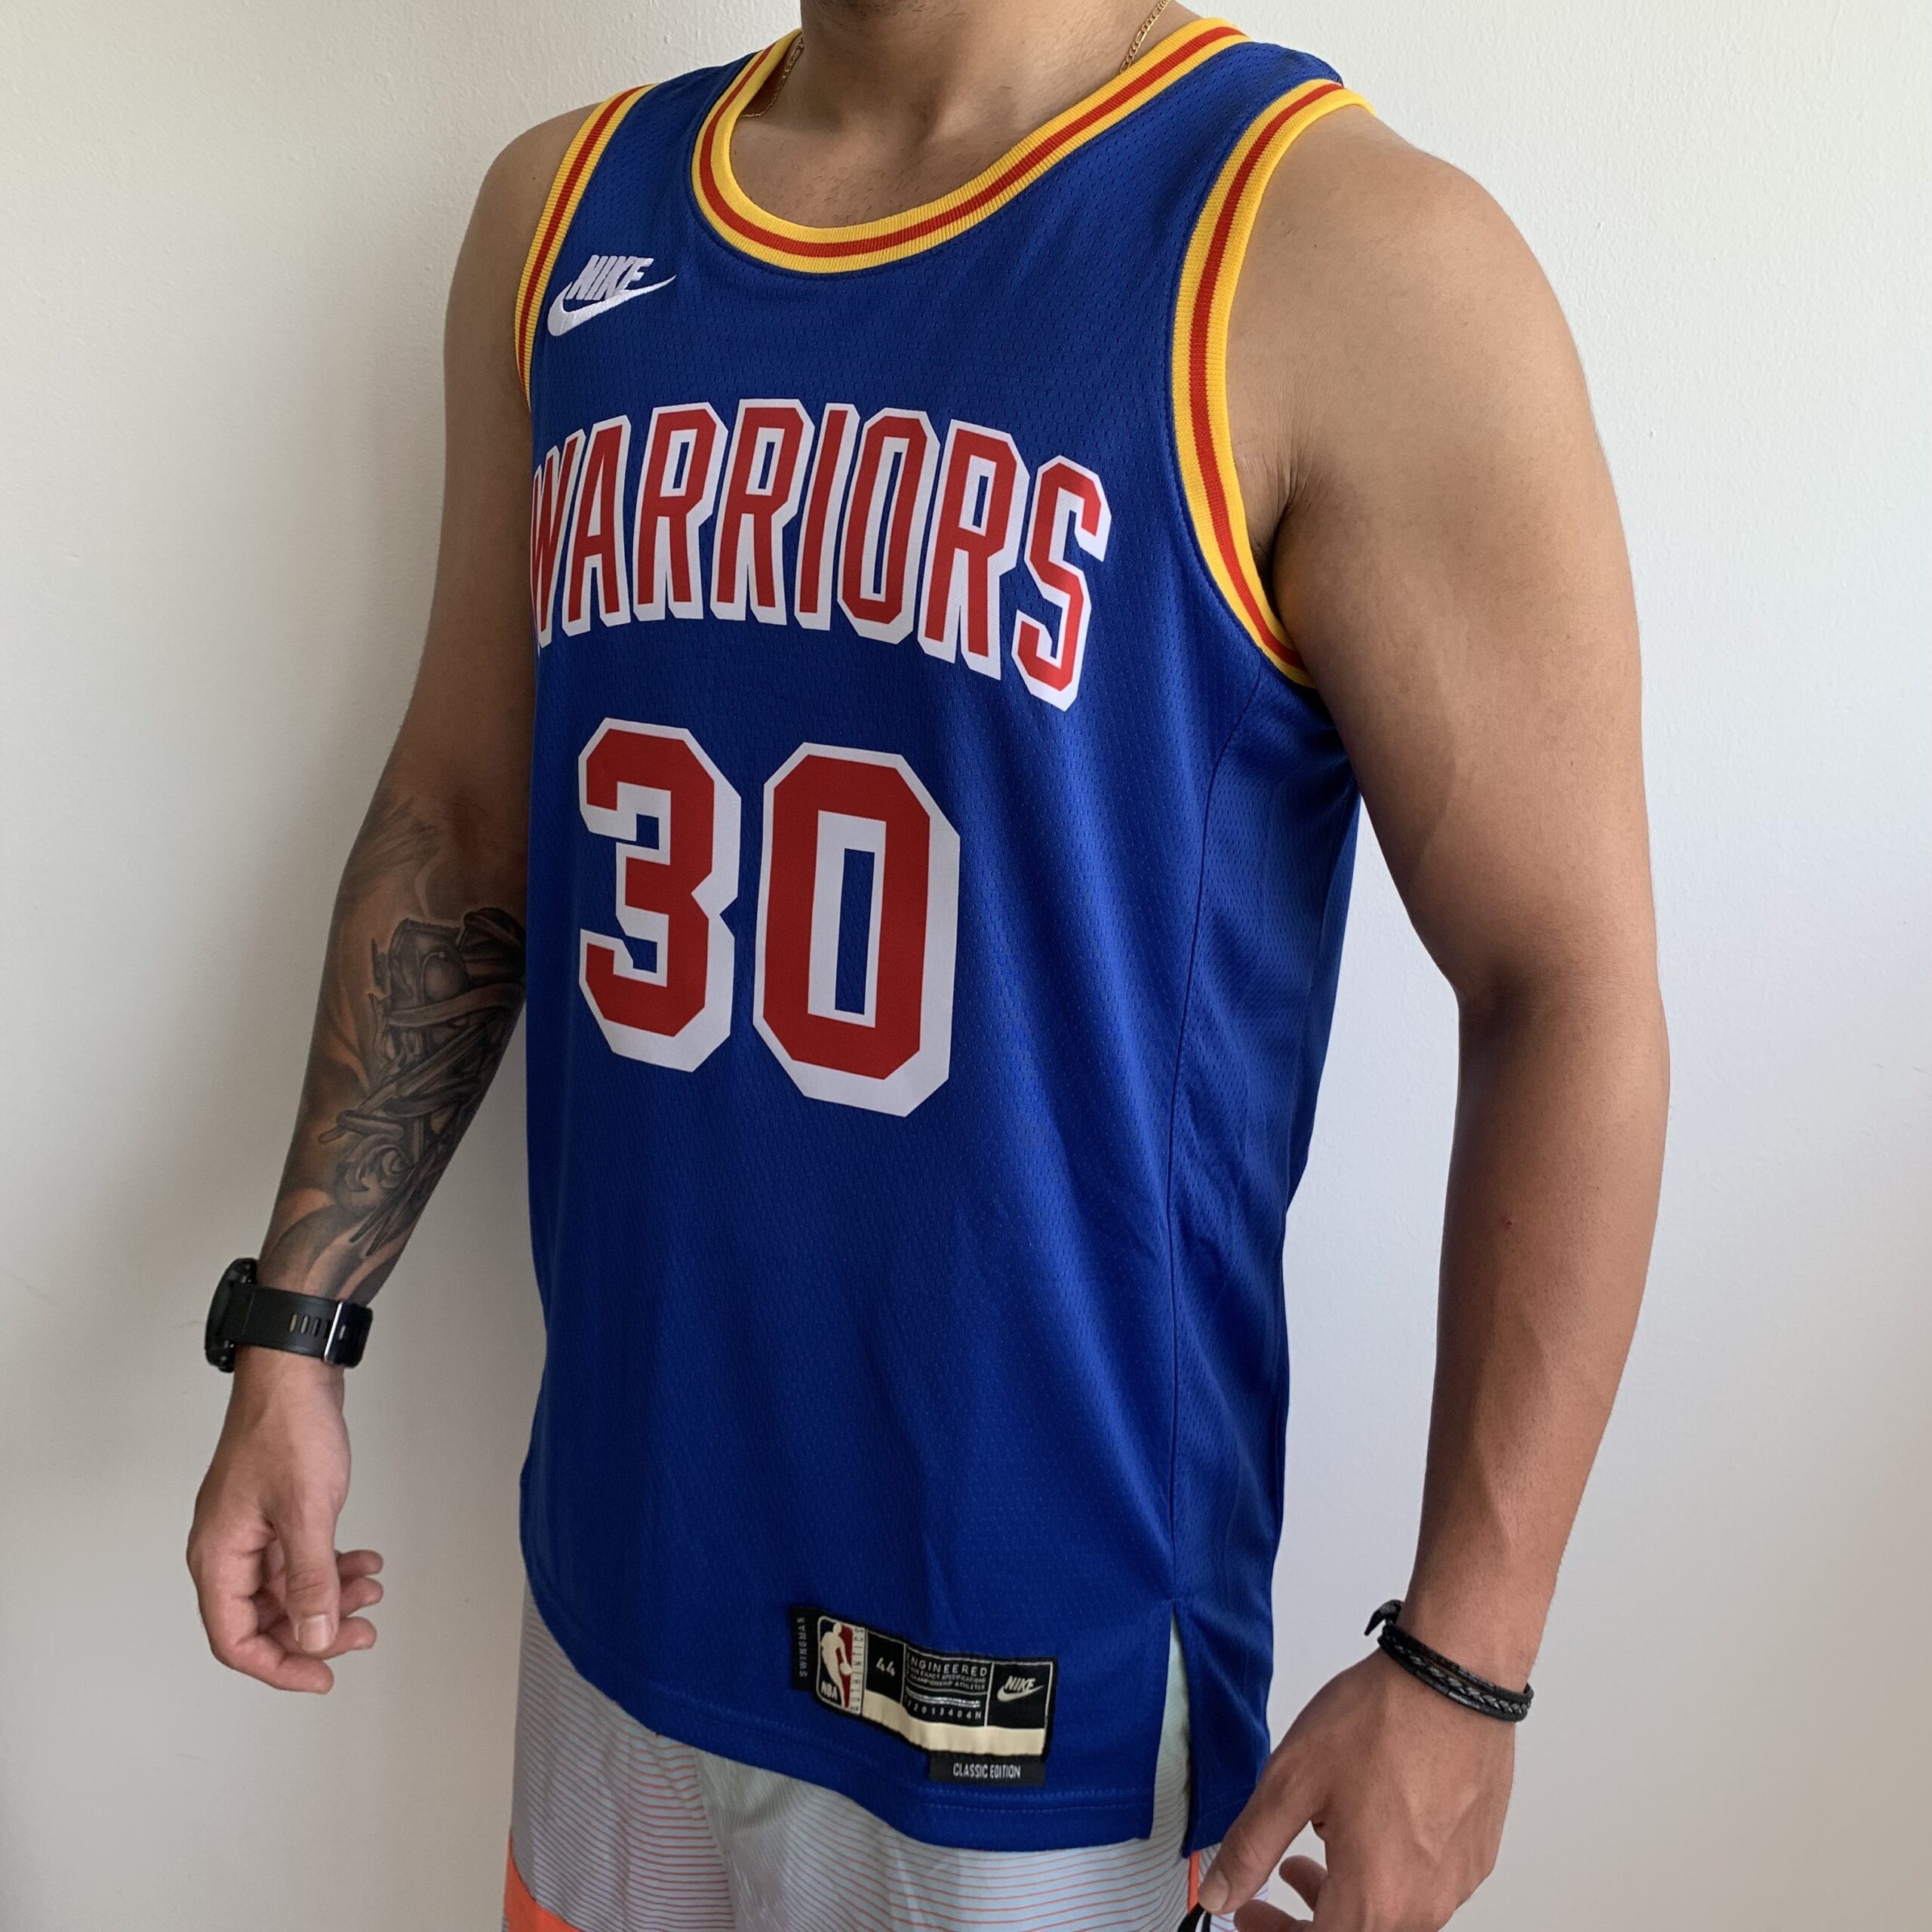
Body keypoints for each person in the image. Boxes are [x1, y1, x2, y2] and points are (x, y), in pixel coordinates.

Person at [187, 4, 1668, 1927]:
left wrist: (1467, 1659)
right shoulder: (557, 218)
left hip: (1040, 1690)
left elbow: (1563, 984)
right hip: (621, 1594)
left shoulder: (1339, 254)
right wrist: (296, 1323)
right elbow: (467, 817)